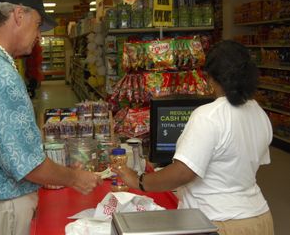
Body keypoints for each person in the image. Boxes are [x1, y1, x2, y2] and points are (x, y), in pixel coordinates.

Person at [0, 0, 101, 235]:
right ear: (19, 15)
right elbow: (27, 165)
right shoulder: (1, 75)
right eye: (38, 23)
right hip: (2, 208)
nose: (39, 34)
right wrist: (74, 178)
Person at [113, 40, 274, 235]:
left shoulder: (209, 115)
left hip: (217, 222)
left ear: (211, 77)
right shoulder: (259, 113)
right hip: (260, 219)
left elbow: (183, 173)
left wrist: (139, 181)